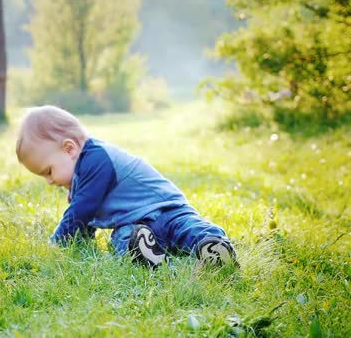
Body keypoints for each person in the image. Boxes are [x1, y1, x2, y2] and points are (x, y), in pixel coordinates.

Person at [15, 105, 237, 268]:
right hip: (139, 226)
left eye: (48, 171)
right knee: (124, 237)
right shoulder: (81, 177)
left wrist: (57, 243)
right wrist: (78, 241)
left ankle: (212, 245)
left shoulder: (97, 159)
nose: (49, 181)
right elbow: (85, 222)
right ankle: (148, 257)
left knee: (186, 228)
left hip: (168, 212)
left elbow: (81, 211)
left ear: (69, 149)